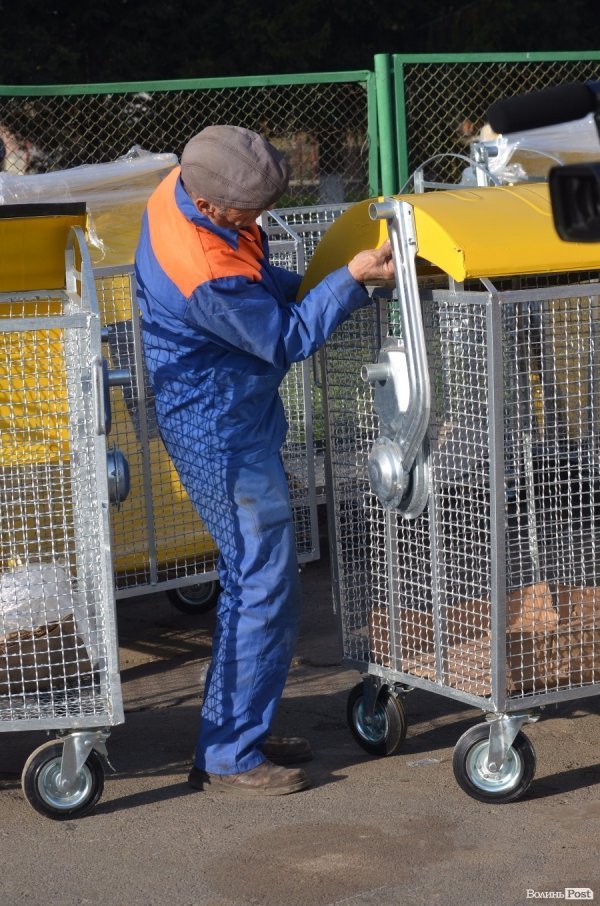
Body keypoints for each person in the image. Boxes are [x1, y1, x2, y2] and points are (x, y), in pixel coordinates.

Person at [134, 125, 394, 797]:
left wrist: (326, 276)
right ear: (215, 208)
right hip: (217, 431)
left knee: (259, 581)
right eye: (251, 214)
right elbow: (287, 336)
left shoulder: (184, 184)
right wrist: (350, 282)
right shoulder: (204, 273)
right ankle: (228, 755)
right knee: (263, 583)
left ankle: (240, 727)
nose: (261, 222)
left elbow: (258, 279)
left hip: (232, 412)